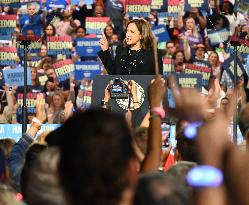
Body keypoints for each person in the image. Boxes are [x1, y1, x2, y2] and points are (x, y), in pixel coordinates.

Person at [98, 18, 163, 75]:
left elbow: (158, 79)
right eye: (127, 31)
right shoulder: (120, 50)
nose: (128, 34)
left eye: (132, 32)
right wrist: (105, 50)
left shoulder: (154, 53)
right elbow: (113, 73)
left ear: (141, 35)